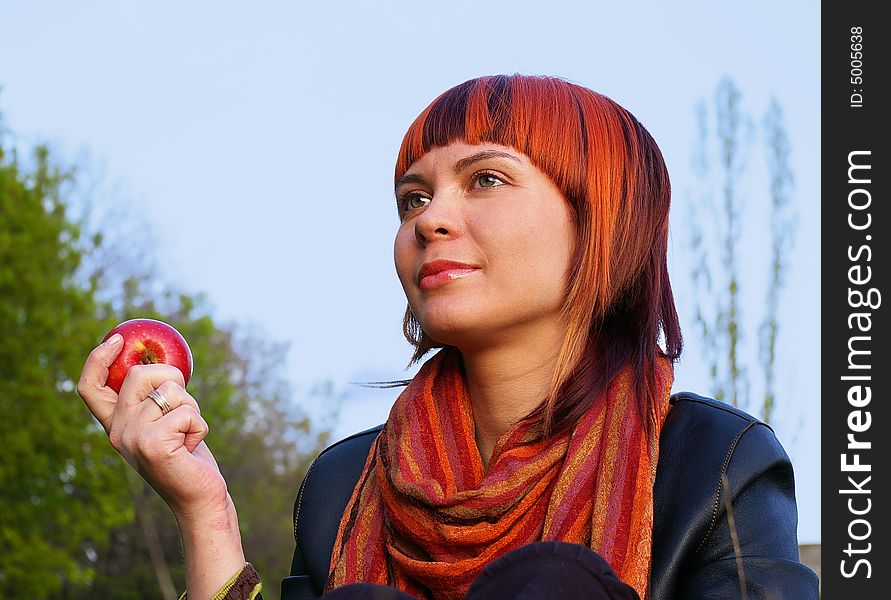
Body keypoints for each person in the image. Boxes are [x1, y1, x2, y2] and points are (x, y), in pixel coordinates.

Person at [78, 74, 818, 600]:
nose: (427, 219)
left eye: (486, 179)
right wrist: (205, 512)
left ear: (603, 222)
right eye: (412, 196)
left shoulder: (710, 467)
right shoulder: (344, 484)